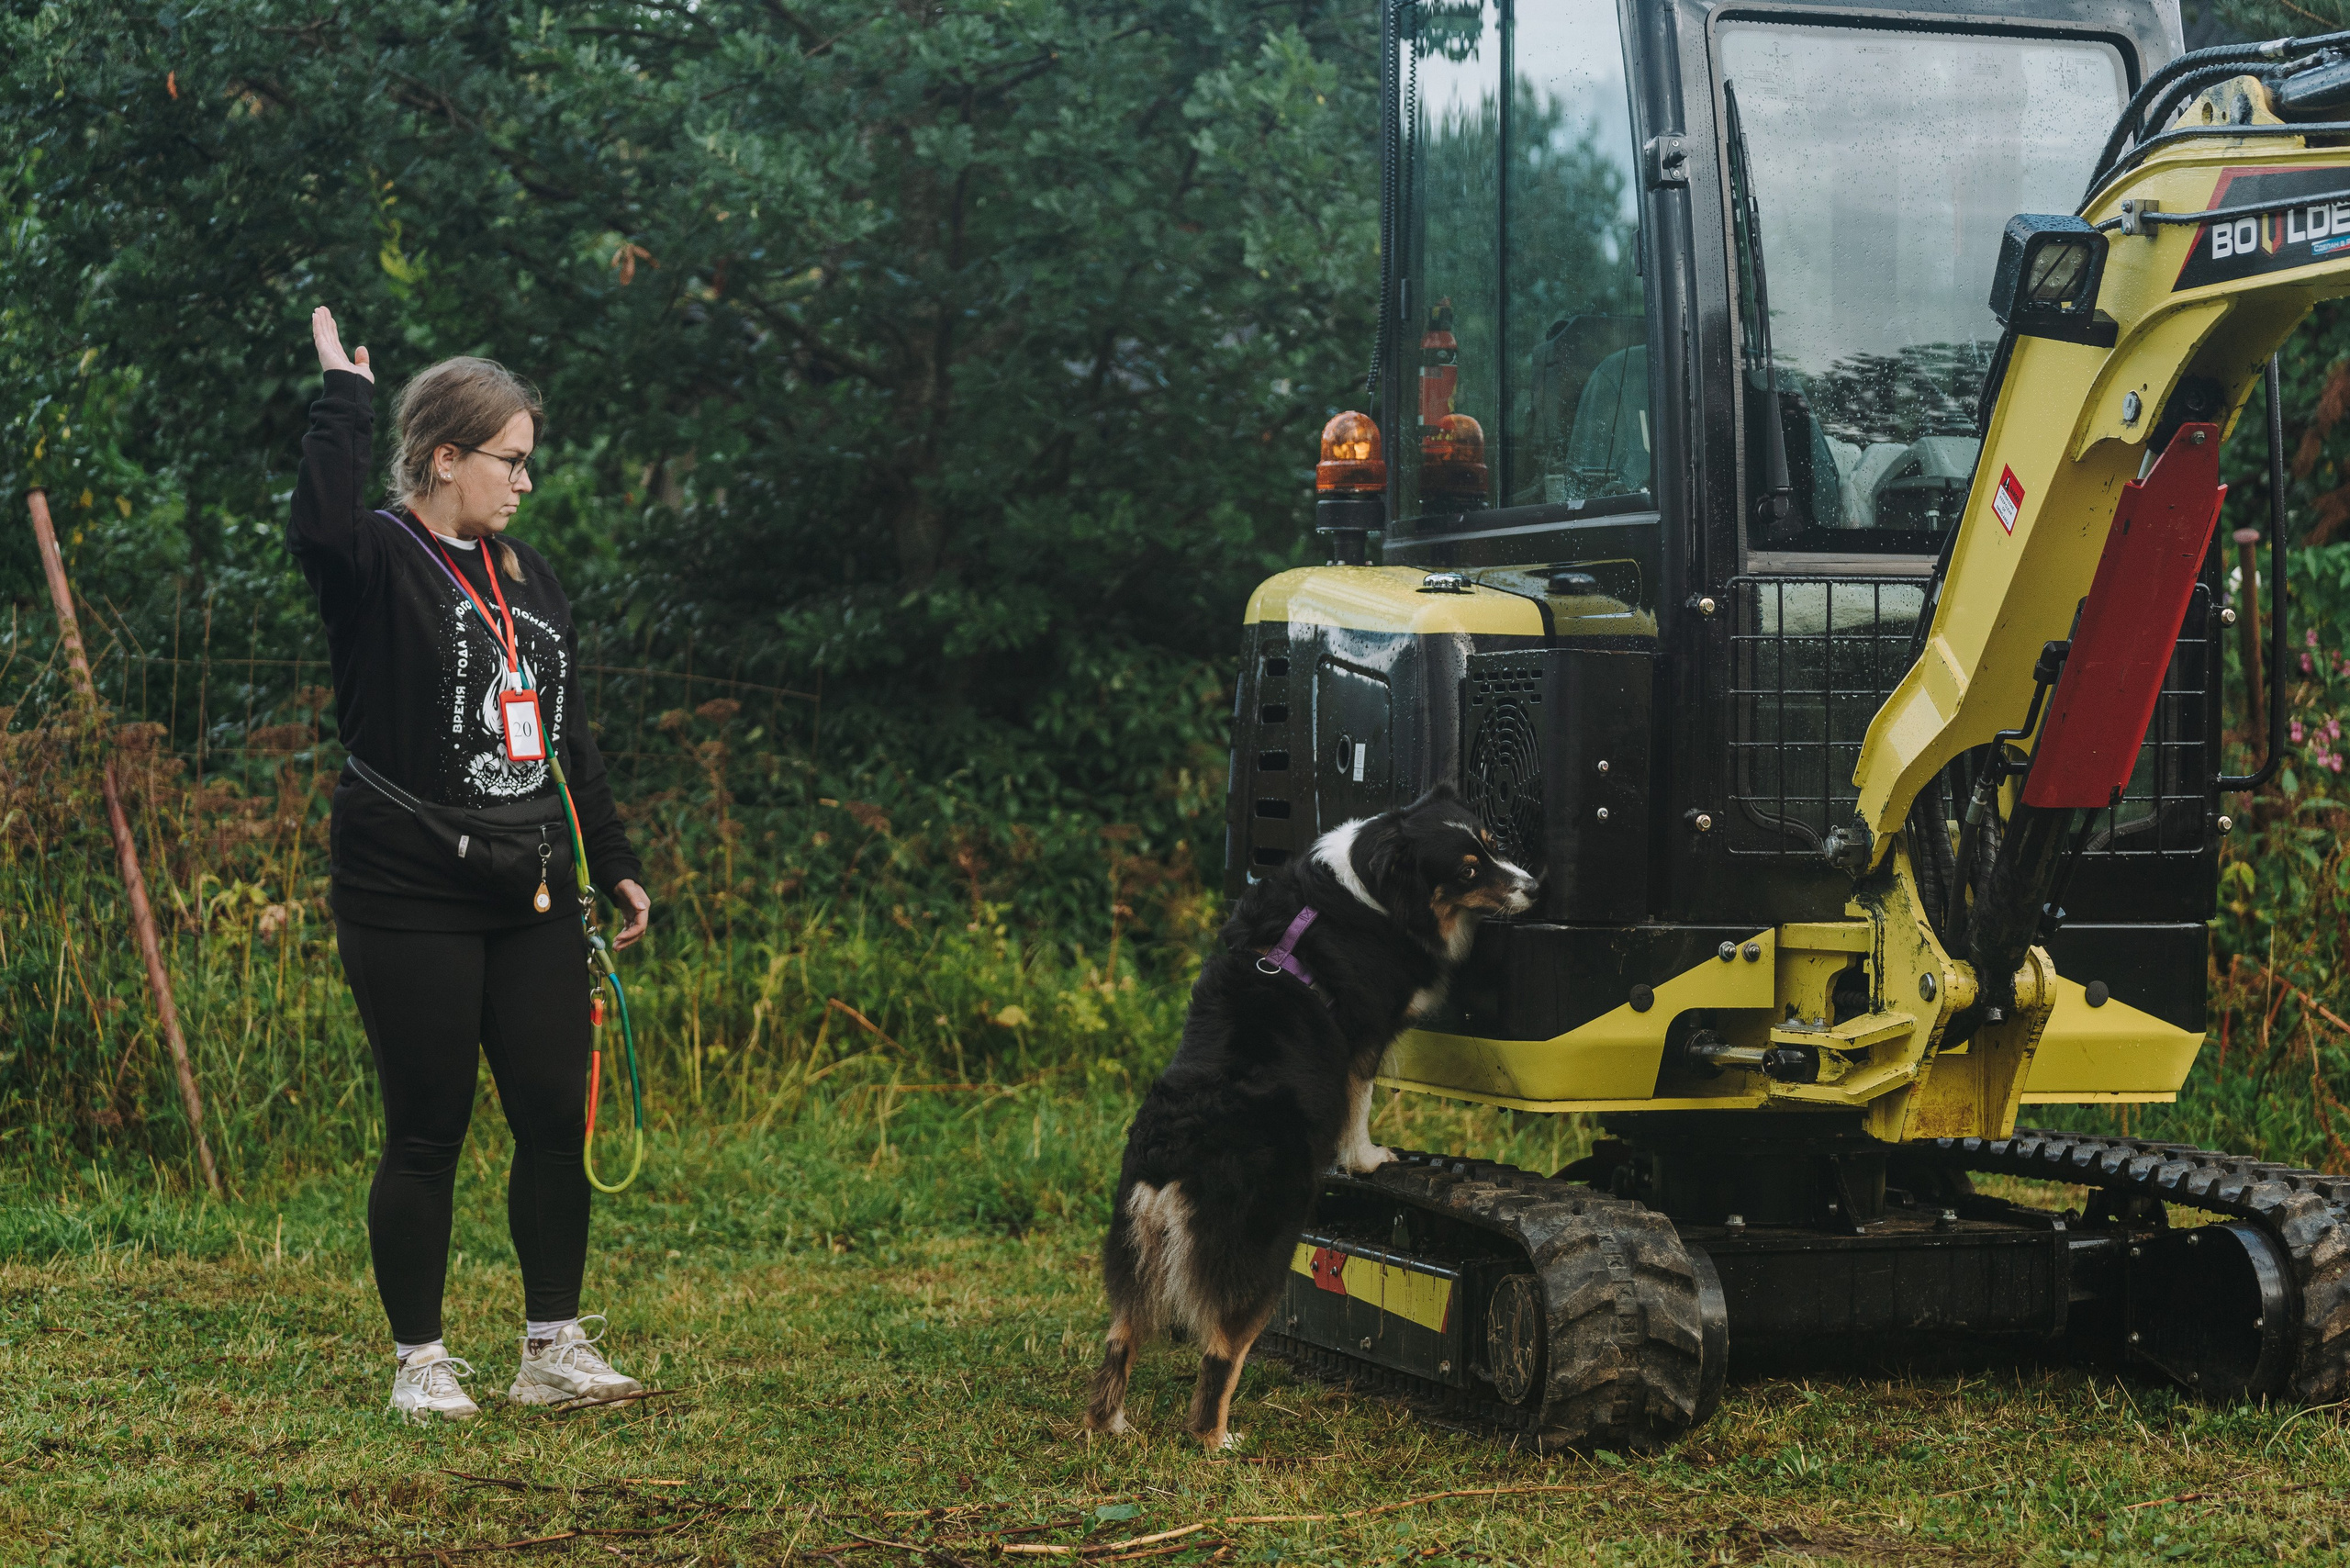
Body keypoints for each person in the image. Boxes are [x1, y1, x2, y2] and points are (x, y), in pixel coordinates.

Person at [290, 307, 655, 1423]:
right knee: (428, 1125)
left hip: (536, 881)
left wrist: (617, 858)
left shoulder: (527, 572)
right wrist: (345, 401)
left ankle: (550, 1347)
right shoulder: (375, 560)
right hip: (408, 889)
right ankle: (421, 1361)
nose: (524, 485)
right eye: (510, 461)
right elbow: (315, 528)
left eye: (528, 463)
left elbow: (567, 730)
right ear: (444, 459)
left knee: (552, 1115)